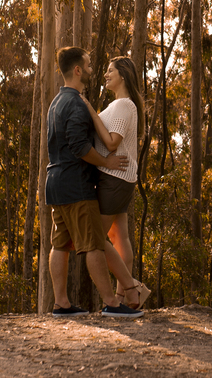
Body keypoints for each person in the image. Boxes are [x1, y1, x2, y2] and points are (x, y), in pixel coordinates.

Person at [45, 46, 144, 319]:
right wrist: (105, 162)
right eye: (88, 65)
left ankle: (61, 303)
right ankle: (114, 301)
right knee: (93, 243)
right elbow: (80, 146)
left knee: (61, 244)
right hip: (77, 185)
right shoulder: (76, 103)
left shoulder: (56, 102)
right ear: (77, 70)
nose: (94, 70)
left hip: (55, 182)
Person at [86, 55, 152, 310]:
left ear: (123, 75)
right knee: (119, 238)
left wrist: (90, 111)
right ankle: (126, 298)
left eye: (110, 70)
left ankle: (130, 289)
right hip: (118, 178)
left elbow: (112, 142)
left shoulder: (125, 105)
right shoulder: (120, 105)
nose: (105, 74)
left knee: (94, 237)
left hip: (115, 179)